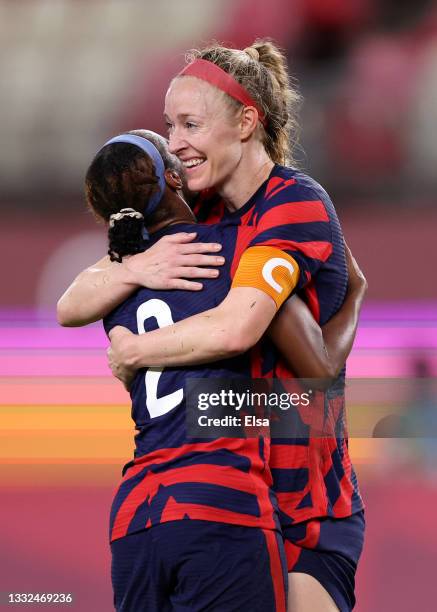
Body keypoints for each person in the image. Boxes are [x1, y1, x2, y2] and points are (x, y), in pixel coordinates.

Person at [105, 41, 366, 612]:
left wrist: (135, 350)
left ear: (247, 122)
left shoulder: (292, 203)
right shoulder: (198, 217)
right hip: (225, 495)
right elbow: (75, 299)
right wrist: (141, 266)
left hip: (304, 508)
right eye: (169, 125)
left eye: (190, 124)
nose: (172, 145)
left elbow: (239, 330)